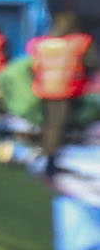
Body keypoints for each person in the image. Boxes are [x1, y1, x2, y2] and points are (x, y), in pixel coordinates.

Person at [28, 10, 95, 172]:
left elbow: (34, 66)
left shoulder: (44, 43)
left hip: (45, 87)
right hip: (66, 89)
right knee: (59, 125)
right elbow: (91, 62)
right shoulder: (78, 42)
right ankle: (52, 161)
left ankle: (45, 153)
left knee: (49, 123)